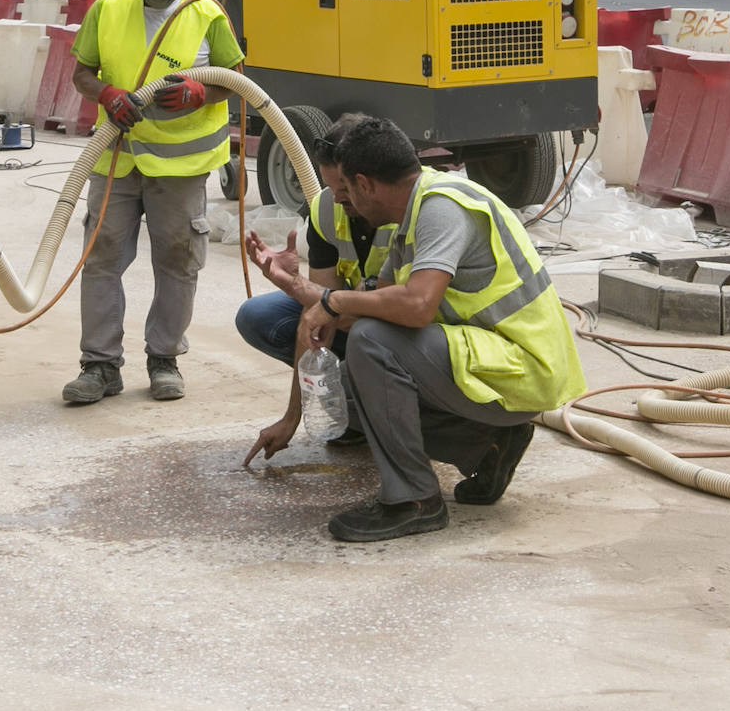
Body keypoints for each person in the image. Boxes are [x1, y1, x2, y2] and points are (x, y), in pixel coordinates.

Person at [247, 116, 587, 543]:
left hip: (524, 370)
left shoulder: (442, 209)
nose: (344, 203)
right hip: (493, 366)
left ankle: (414, 499)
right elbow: (377, 297)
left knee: (372, 342)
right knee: (346, 385)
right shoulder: (413, 211)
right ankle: (484, 444)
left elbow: (418, 305)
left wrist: (334, 302)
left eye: (347, 191)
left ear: (366, 184)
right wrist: (302, 292)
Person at [62, 0, 243, 405]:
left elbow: (236, 80)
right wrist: (107, 93)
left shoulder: (205, 14)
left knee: (178, 261)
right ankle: (99, 366)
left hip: (181, 168)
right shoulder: (109, 7)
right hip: (117, 157)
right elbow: (82, 72)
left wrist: (203, 91)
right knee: (100, 259)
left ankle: (164, 358)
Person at [237, 114, 396, 464]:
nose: (339, 198)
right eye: (331, 188)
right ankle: (348, 408)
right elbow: (320, 313)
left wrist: (324, 302)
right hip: (357, 314)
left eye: (345, 188)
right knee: (257, 316)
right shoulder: (326, 208)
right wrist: (293, 416)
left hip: (402, 325)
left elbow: (399, 309)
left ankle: (382, 411)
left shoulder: (406, 208)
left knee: (370, 333)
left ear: (367, 179)